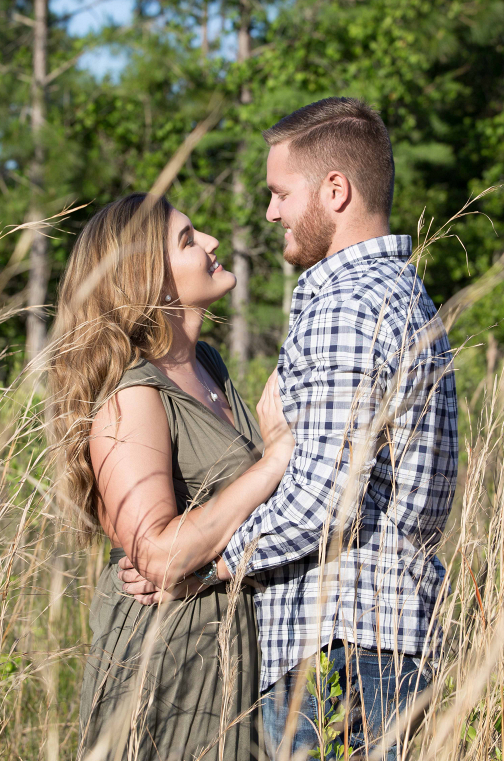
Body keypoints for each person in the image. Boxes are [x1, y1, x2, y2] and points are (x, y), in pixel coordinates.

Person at [123, 98, 458, 760]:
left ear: (336, 190)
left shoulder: (347, 305)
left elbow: (322, 501)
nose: (270, 211)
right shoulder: (401, 293)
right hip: (374, 640)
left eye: (280, 193)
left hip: (337, 643)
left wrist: (207, 566)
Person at [49, 192, 294, 761]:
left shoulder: (209, 364)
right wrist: (272, 463)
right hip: (167, 658)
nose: (210, 243)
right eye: (188, 240)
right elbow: (157, 556)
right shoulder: (131, 393)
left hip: (229, 645)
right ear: (150, 282)